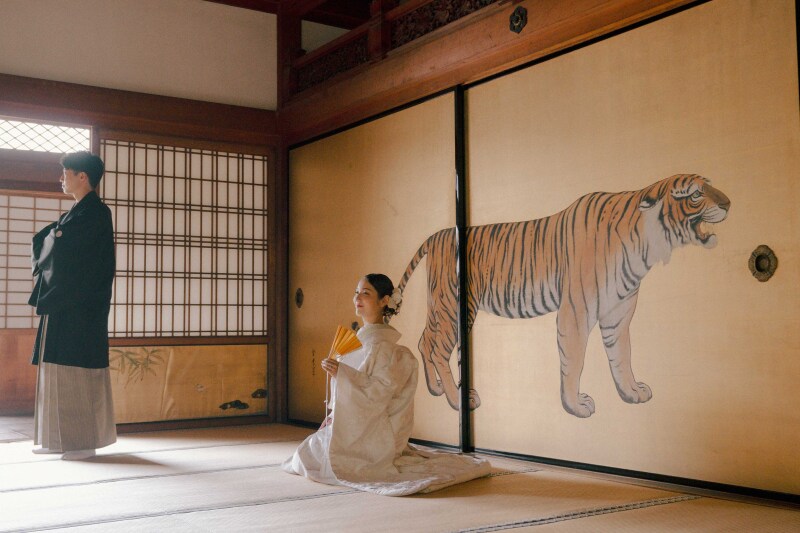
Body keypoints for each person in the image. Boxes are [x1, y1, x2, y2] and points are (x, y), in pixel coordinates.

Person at [283, 273, 491, 496]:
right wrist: (336, 404)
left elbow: (378, 394)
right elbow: (352, 392)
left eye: (366, 293)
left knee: (321, 458)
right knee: (309, 451)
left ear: (384, 301)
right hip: (357, 423)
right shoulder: (359, 344)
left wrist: (343, 373)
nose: (357, 298)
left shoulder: (391, 352)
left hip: (377, 430)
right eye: (356, 292)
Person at [28, 151, 116, 461]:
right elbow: (53, 242)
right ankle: (56, 438)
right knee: (54, 370)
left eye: (66, 173)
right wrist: (56, 236)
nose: (61, 179)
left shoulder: (96, 213)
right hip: (62, 302)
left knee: (77, 371)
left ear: (83, 177)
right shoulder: (76, 213)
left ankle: (83, 442)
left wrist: (56, 237)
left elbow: (71, 255)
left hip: (81, 307)